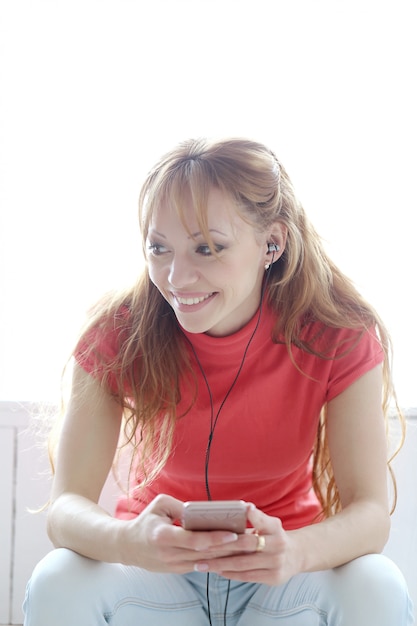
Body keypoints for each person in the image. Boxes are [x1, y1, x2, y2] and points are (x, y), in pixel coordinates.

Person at [23, 137, 413, 625]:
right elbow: (66, 509)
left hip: (280, 578)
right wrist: (129, 541)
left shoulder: (337, 331)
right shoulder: (116, 332)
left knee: (377, 584)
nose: (177, 276)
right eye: (159, 248)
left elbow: (371, 514)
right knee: (58, 578)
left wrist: (293, 552)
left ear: (272, 242)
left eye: (207, 248)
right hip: (157, 578)